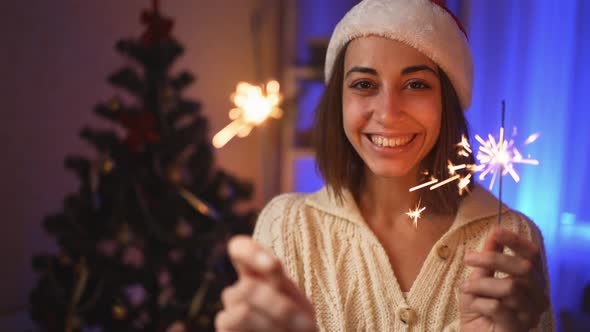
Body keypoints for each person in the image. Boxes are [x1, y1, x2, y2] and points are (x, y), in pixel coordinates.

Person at [215, 0, 554, 331]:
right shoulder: (287, 226)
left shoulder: (513, 238)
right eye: (364, 85)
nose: (389, 114)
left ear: (446, 102)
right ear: (339, 101)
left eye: (416, 85)